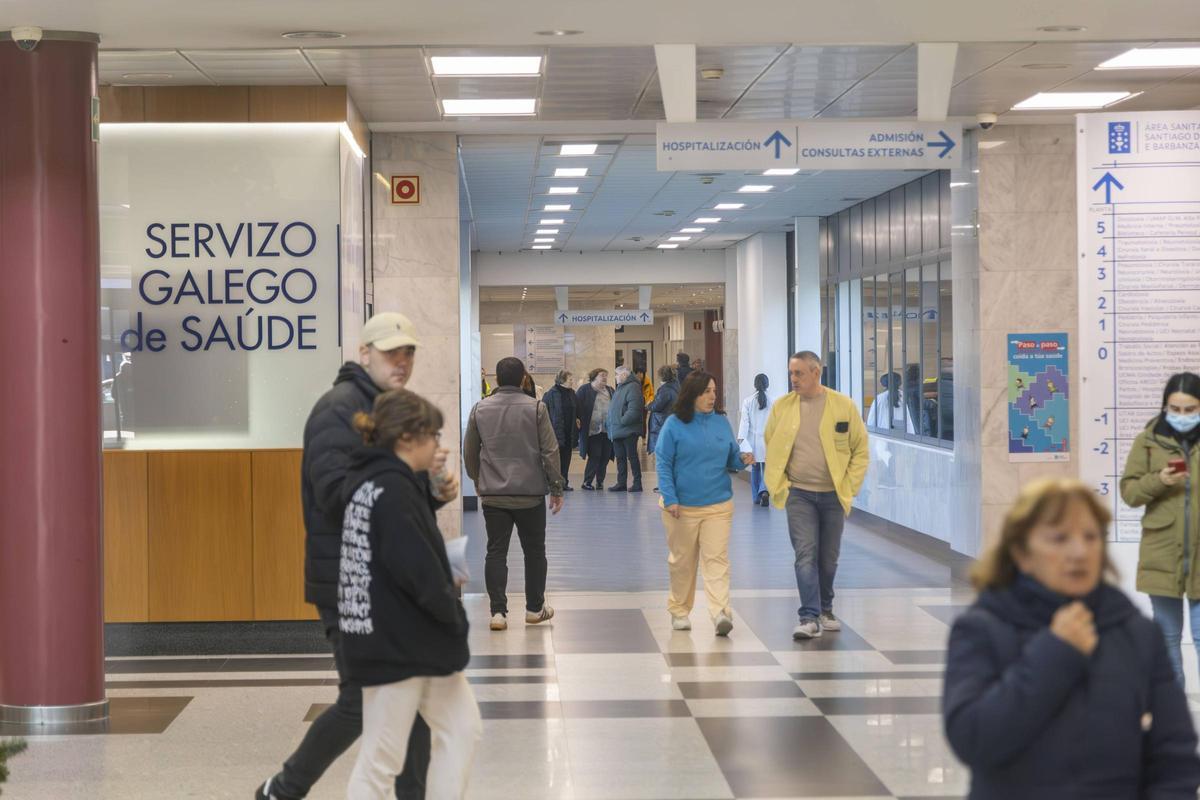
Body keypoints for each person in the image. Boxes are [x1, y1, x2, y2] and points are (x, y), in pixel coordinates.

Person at [258, 313, 456, 800]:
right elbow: (339, 497)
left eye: (408, 352)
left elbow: (393, 503)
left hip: (386, 581)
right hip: (351, 583)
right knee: (362, 700)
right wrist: (407, 469)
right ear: (363, 353)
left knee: (412, 695)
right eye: (391, 352)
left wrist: (431, 487)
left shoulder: (387, 410)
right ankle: (282, 790)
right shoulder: (338, 410)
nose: (402, 361)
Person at [943, 479, 1200, 799]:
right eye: (1059, 538)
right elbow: (974, 738)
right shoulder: (982, 628)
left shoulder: (1136, 633)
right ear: (1022, 553)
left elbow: (1175, 754)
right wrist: (1054, 653)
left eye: (1090, 537)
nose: (1079, 552)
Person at [339, 390, 481, 800]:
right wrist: (452, 617)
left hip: (401, 639)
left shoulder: (376, 481)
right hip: (398, 642)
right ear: (405, 439)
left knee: (462, 728)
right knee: (381, 759)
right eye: (432, 434)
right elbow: (416, 569)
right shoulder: (390, 490)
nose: (439, 443)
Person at [764, 351, 869, 640]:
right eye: (791, 373)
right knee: (805, 554)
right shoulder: (782, 408)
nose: (793, 379)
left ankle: (825, 608)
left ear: (816, 372)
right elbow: (771, 443)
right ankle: (808, 617)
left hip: (834, 495)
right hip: (799, 494)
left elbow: (860, 450)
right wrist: (781, 484)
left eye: (798, 373)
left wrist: (849, 486)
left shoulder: (843, 406)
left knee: (828, 558)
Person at [464, 357, 564, 632]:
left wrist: (477, 479)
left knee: (495, 551)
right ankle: (534, 608)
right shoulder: (536, 408)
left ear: (496, 379)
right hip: (530, 494)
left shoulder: (480, 409)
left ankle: (498, 613)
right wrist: (556, 487)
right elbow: (550, 451)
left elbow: (470, 451)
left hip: (494, 495)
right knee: (534, 551)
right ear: (523, 379)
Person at [656, 371, 754, 636]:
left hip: (718, 504)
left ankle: (721, 612)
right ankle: (679, 611)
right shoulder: (674, 425)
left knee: (717, 559)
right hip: (681, 507)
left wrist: (742, 459)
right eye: (706, 392)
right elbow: (663, 463)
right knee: (682, 561)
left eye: (713, 390)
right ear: (692, 395)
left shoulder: (721, 423)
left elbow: (731, 459)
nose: (712, 396)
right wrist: (671, 497)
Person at [1120, 372, 1200, 686]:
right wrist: (1160, 481)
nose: (1182, 416)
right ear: (1165, 406)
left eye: (1190, 409)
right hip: (1162, 552)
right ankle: (1173, 709)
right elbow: (1130, 492)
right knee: (1167, 637)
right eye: (1175, 409)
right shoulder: (1149, 441)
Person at [607, 365, 646, 493]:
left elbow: (634, 409)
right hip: (618, 430)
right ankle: (621, 483)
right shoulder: (620, 387)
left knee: (632, 457)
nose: (615, 377)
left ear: (624, 375)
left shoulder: (633, 387)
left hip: (628, 430)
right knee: (620, 458)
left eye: (617, 374)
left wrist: (621, 421)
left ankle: (637, 483)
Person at [737, 374, 773, 508]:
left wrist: (741, 439)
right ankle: (764, 490)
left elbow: (745, 422)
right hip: (768, 440)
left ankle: (756, 497)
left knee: (755, 467)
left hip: (753, 440)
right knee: (767, 468)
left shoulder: (748, 401)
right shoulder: (773, 401)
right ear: (767, 384)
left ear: (755, 385)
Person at [576, 368, 614, 491]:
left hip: (607, 430)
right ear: (594, 377)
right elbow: (577, 406)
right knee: (595, 455)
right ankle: (587, 481)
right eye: (602, 375)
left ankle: (600, 481)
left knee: (605, 456)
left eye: (606, 375)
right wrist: (577, 419)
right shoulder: (585, 390)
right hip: (592, 430)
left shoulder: (610, 390)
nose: (604, 378)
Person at [543, 369, 578, 491]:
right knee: (555, 461)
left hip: (569, 432)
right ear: (562, 380)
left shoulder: (572, 393)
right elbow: (545, 413)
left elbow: (575, 410)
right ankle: (553, 484)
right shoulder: (550, 394)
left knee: (566, 459)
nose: (572, 381)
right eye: (570, 379)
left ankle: (564, 483)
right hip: (555, 432)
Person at [647, 365, 679, 457]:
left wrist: (648, 405)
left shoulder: (665, 390)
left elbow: (657, 406)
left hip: (661, 423)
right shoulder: (676, 387)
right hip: (670, 421)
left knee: (663, 456)